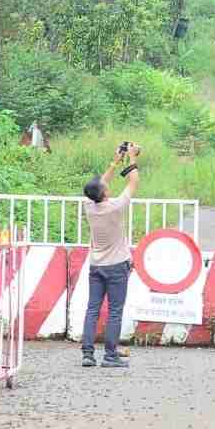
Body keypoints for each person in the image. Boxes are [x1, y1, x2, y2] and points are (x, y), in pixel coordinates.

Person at [81, 145, 143, 368]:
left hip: (95, 265)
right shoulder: (115, 207)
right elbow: (133, 182)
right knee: (115, 311)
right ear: (105, 193)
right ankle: (110, 356)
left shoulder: (89, 205)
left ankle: (88, 354)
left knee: (93, 308)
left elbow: (98, 186)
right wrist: (132, 158)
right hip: (117, 266)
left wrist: (115, 162)